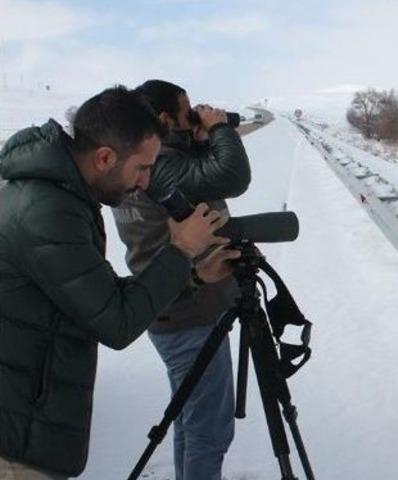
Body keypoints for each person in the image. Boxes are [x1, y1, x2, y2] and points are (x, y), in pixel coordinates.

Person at [0, 86, 238, 479]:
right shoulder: (46, 211)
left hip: (26, 425)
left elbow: (105, 296)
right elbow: (116, 322)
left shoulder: (61, 196)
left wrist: (194, 274)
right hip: (15, 446)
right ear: (105, 158)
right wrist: (180, 249)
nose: (146, 183)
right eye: (142, 168)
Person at [112, 79, 251, 480]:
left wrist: (200, 134)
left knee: (191, 420)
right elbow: (231, 176)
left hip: (173, 310)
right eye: (186, 110)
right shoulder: (162, 167)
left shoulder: (142, 163)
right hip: (191, 312)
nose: (193, 116)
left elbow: (200, 174)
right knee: (209, 431)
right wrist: (220, 129)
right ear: (162, 119)